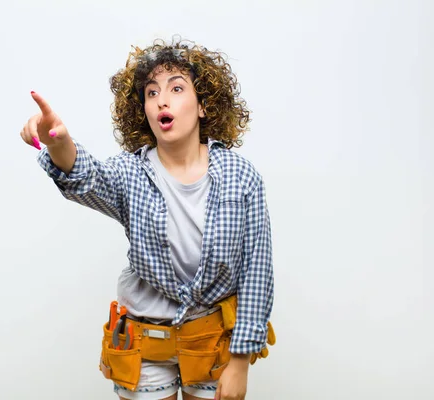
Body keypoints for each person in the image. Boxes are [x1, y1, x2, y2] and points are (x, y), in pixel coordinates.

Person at [19, 38, 274, 400]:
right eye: (151, 93)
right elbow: (87, 178)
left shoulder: (240, 176)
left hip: (212, 342)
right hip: (143, 344)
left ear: (203, 105)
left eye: (176, 88)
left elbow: (257, 271)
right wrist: (58, 142)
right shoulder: (131, 172)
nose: (162, 100)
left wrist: (240, 362)